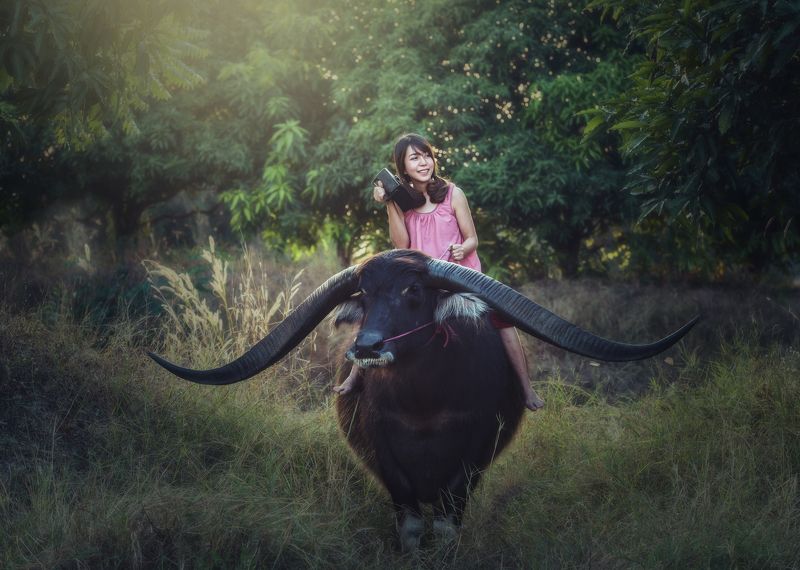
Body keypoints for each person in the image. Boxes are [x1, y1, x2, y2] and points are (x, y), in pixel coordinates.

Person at [334, 133, 545, 411]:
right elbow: (402, 246)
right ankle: (354, 377)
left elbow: (472, 238)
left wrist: (462, 249)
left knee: (503, 319)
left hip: (459, 277)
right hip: (422, 284)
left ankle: (525, 389)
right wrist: (389, 204)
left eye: (426, 155)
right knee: (378, 310)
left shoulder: (453, 194)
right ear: (403, 167)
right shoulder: (401, 202)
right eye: (414, 158)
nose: (424, 163)